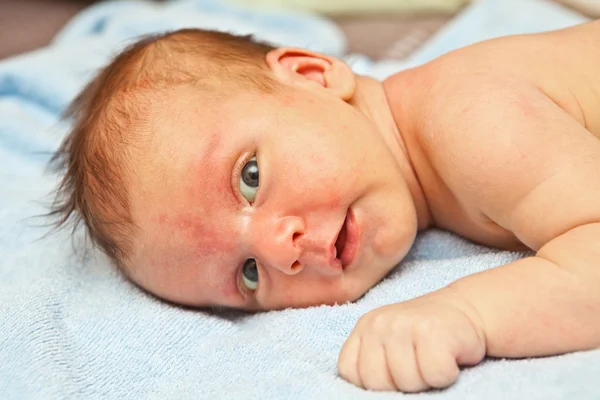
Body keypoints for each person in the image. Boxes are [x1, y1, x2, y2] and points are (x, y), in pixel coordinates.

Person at [49, 23, 600, 392]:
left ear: (312, 75)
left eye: (250, 177)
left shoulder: (473, 119)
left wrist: (467, 314)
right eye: (247, 276)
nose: (277, 249)